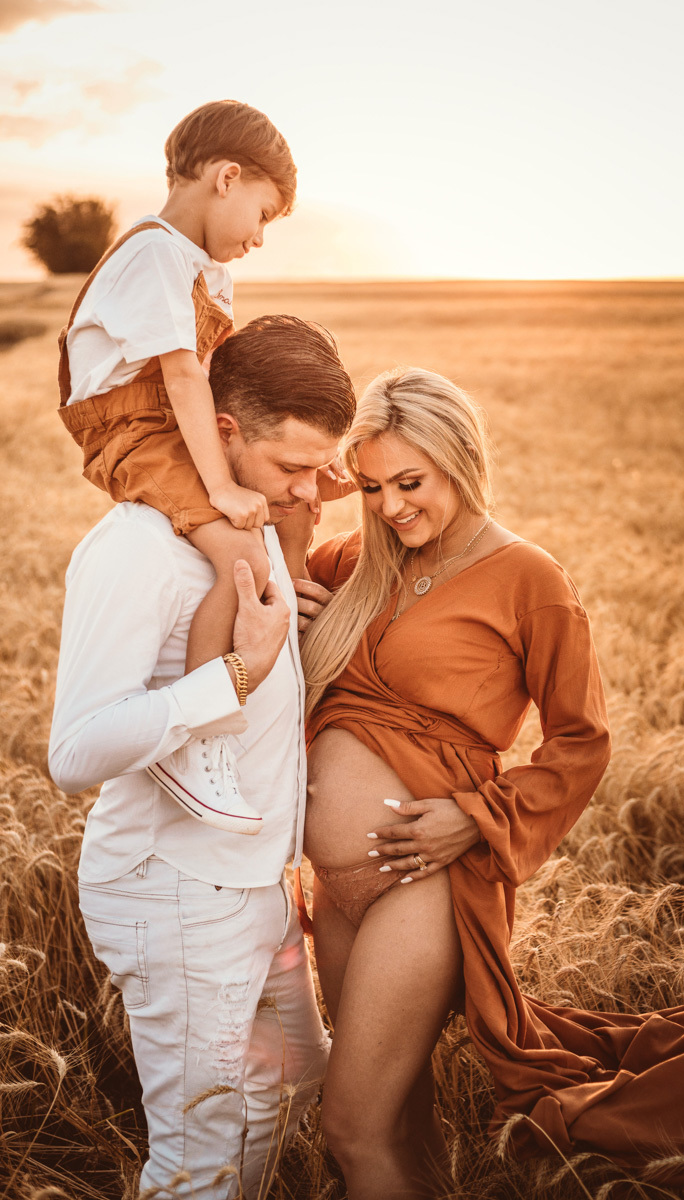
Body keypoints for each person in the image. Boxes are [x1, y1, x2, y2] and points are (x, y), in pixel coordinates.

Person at [284, 366, 684, 1199]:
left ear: (460, 458)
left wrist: (475, 818)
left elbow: (581, 740)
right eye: (371, 485)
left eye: (409, 482)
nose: (390, 507)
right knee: (401, 1124)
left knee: (352, 1127)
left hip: (423, 882)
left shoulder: (529, 579)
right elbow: (271, 550)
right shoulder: (354, 563)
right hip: (332, 891)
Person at [49, 315, 356, 1200]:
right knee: (201, 1155)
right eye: (292, 467)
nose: (309, 489)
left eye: (320, 467)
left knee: (292, 1086)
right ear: (223, 431)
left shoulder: (251, 520)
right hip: (176, 891)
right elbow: (74, 752)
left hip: (256, 885)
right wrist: (234, 676)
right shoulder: (135, 549)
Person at [58, 99, 299, 835]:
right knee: (236, 551)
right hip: (131, 427)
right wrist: (222, 487)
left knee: (265, 534)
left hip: (163, 421)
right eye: (263, 214)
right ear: (227, 178)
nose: (260, 238)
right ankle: (198, 739)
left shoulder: (199, 266)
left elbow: (213, 379)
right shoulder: (156, 252)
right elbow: (184, 378)